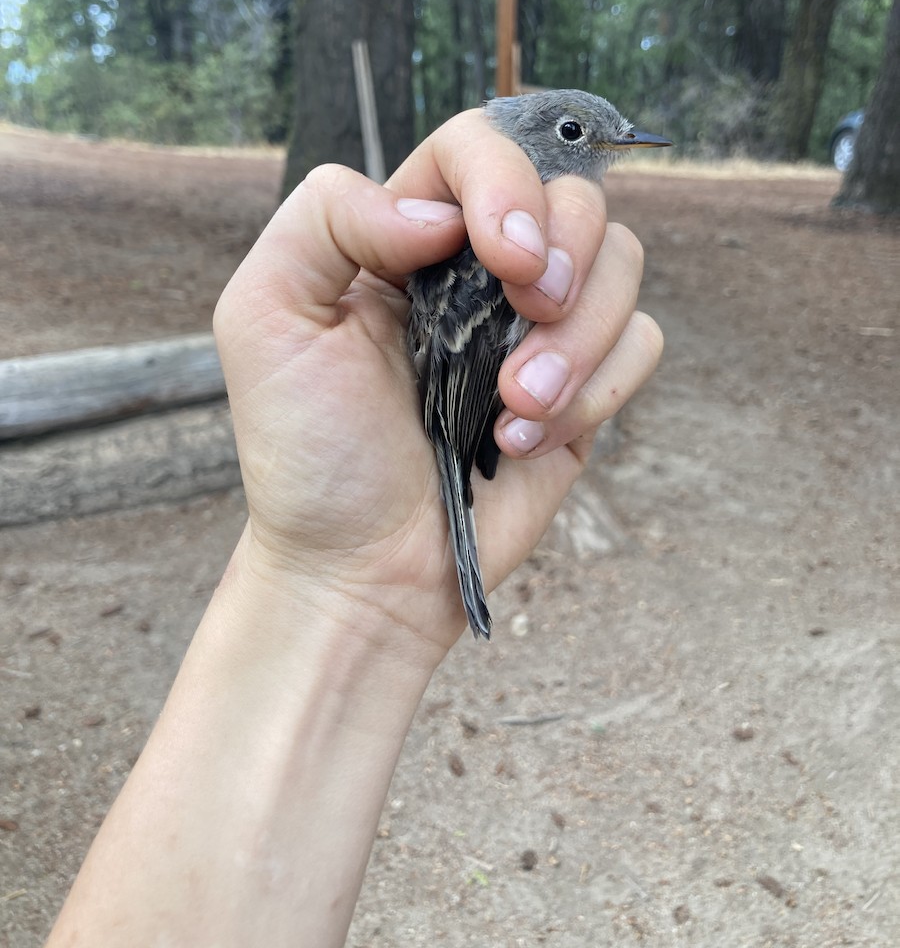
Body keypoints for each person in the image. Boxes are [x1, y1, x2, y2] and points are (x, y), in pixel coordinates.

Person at [45, 108, 662, 947]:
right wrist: (335, 576)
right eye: (575, 131)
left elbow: (474, 354)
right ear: (538, 139)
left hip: (468, 415)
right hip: (455, 412)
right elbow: (462, 362)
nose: (602, 145)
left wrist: (355, 594)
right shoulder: (481, 223)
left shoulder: (538, 231)